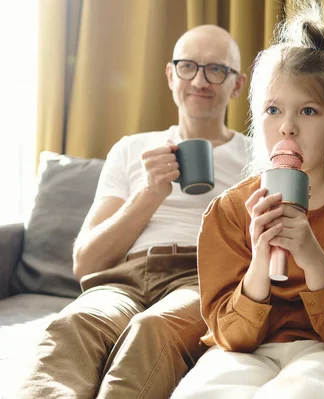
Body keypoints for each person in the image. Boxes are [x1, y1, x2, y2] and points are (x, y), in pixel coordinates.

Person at [170, 4, 324, 399]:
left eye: (308, 111)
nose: (288, 126)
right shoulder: (227, 211)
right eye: (273, 110)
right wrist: (260, 261)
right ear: (258, 121)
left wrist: (312, 257)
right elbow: (230, 336)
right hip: (254, 348)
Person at [16, 25, 248, 399]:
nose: (200, 80)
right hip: (123, 279)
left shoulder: (255, 157)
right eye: (188, 66)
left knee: (152, 328)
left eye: (216, 69)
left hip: (200, 277)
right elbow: (86, 262)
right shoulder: (132, 149)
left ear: (237, 84)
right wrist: (149, 193)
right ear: (171, 75)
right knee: (76, 322)